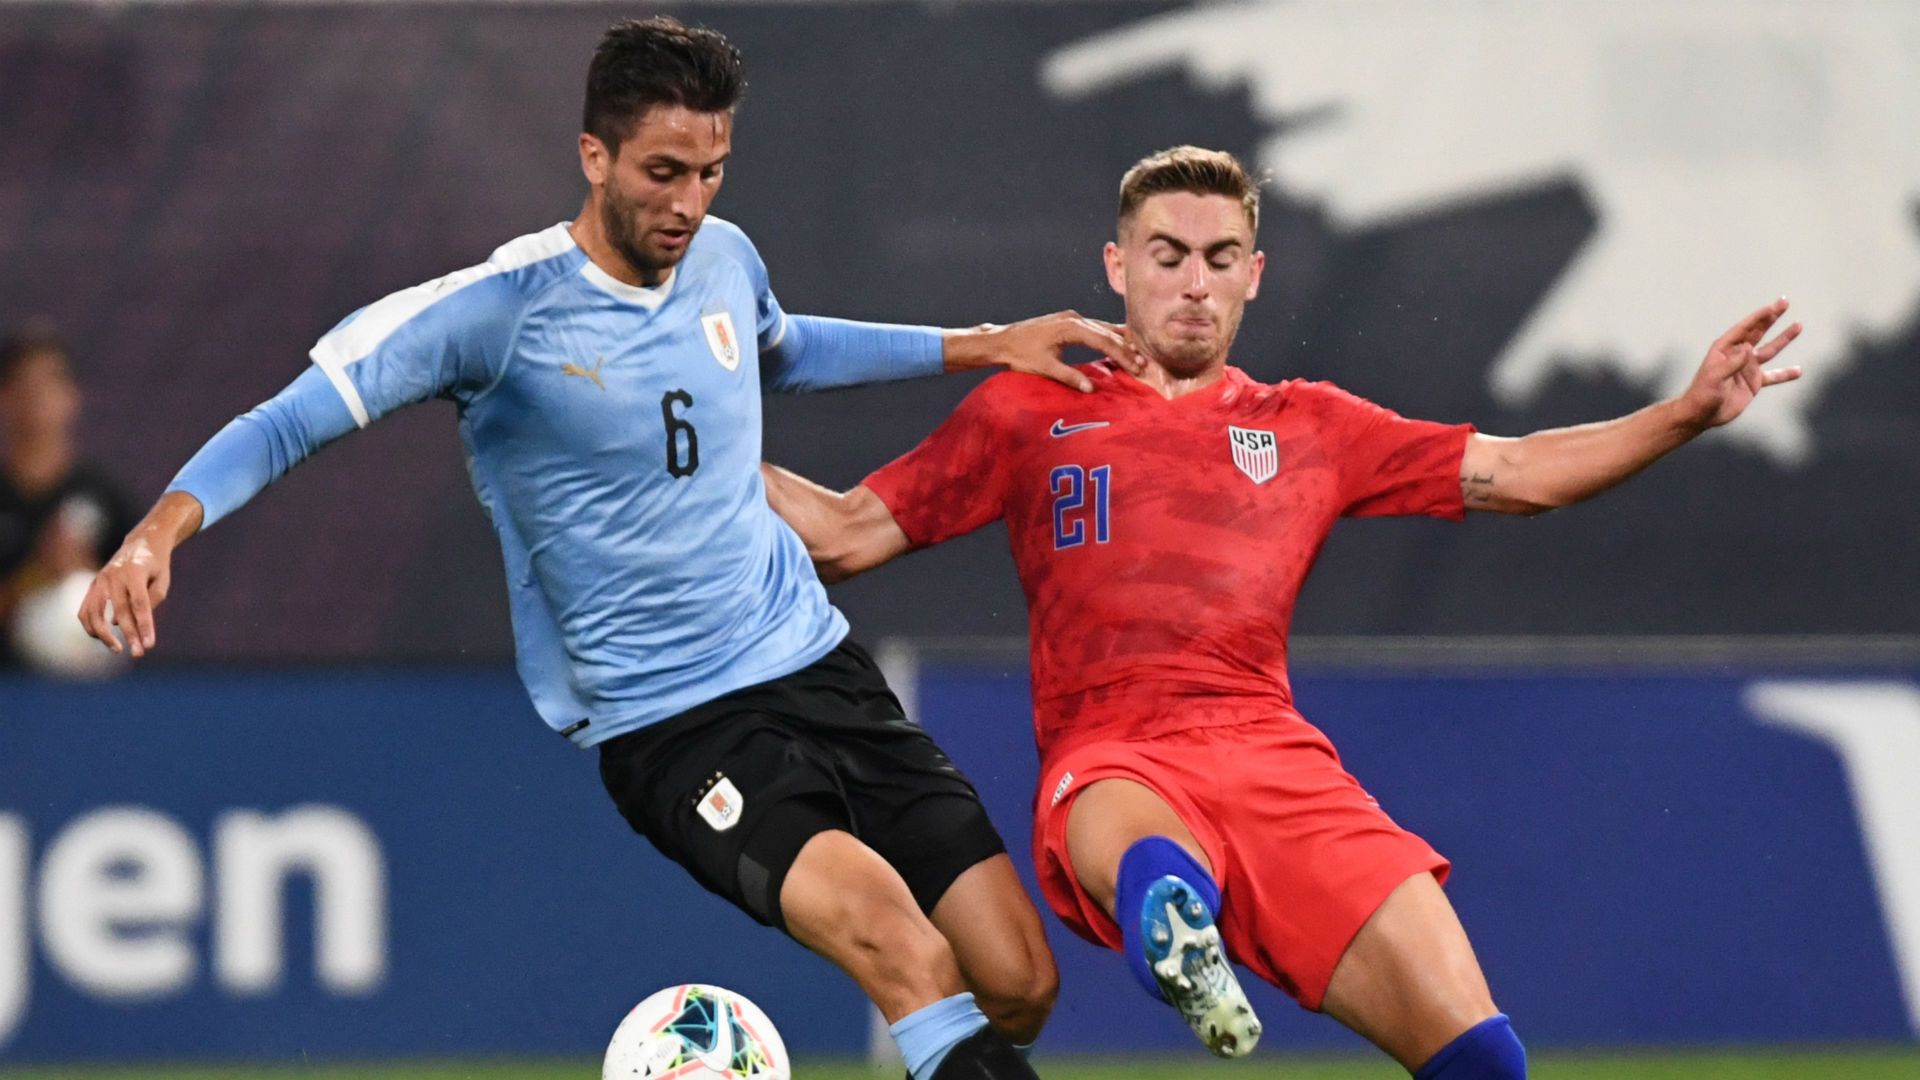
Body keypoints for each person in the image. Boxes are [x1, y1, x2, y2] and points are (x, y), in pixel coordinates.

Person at [77, 18, 1143, 1080]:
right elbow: (287, 422)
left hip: (818, 666)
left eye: (711, 172)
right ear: (594, 156)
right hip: (674, 724)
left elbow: (782, 348)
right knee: (903, 952)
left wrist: (984, 344)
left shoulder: (723, 256)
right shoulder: (497, 312)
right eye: (662, 172)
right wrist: (155, 533)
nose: (688, 203)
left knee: (1016, 981)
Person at [761, 145, 1803, 1080]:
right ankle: (1176, 922)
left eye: (1220, 259)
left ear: (1253, 275)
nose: (1194, 282)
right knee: (1148, 856)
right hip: (1115, 749)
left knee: (1485, 1058)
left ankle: (1182, 924)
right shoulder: (1030, 408)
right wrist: (698, 448)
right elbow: (845, 534)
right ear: (1118, 266)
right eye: (1168, 255)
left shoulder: (1310, 424)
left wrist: (1685, 414)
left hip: (1274, 756)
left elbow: (1519, 473)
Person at [0, 325, 131, 671]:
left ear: (72, 396)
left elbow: (146, 602)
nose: (38, 397)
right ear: (5, 396)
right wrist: (36, 575)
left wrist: (88, 574)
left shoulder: (105, 497)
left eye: (50, 383)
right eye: (24, 385)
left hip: (90, 686)